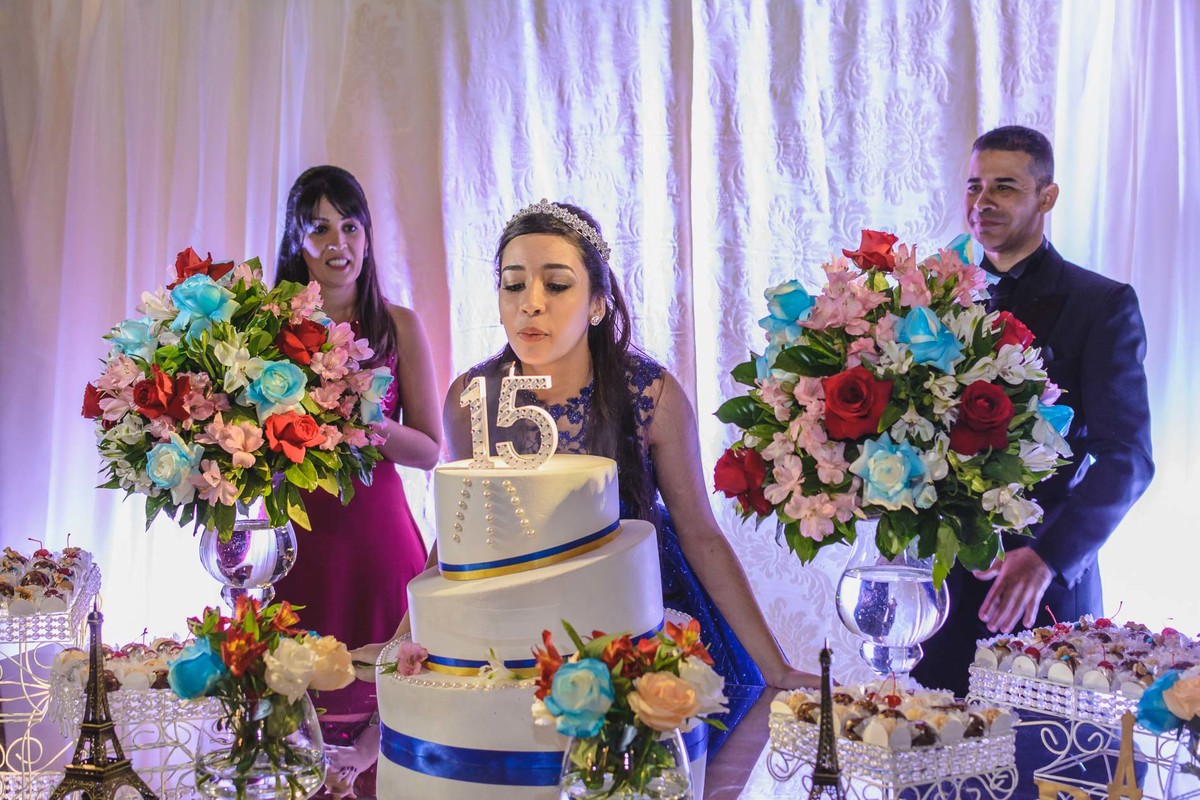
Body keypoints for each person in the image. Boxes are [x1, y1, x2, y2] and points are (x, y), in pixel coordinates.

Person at [438, 199, 818, 756]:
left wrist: (778, 667)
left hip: (634, 616)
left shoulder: (652, 396)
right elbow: (459, 529)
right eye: (513, 285)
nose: (531, 305)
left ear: (597, 303)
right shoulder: (471, 398)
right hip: (511, 629)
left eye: (557, 285)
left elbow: (701, 536)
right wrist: (406, 641)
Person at [912, 126, 1154, 698]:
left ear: (1047, 197)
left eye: (1005, 186)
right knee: (925, 767)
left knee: (1044, 775)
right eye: (974, 186)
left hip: (1042, 595)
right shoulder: (925, 302)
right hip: (935, 597)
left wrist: (1046, 559)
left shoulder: (1103, 305)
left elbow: (1128, 459)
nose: (982, 202)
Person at [272, 165, 442, 797]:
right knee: (290, 743)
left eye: (350, 226)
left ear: (368, 237)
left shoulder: (398, 325)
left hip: (378, 542)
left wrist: (357, 421)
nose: (337, 243)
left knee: (384, 732)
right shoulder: (264, 333)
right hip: (294, 543)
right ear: (296, 241)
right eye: (319, 228)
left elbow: (429, 450)